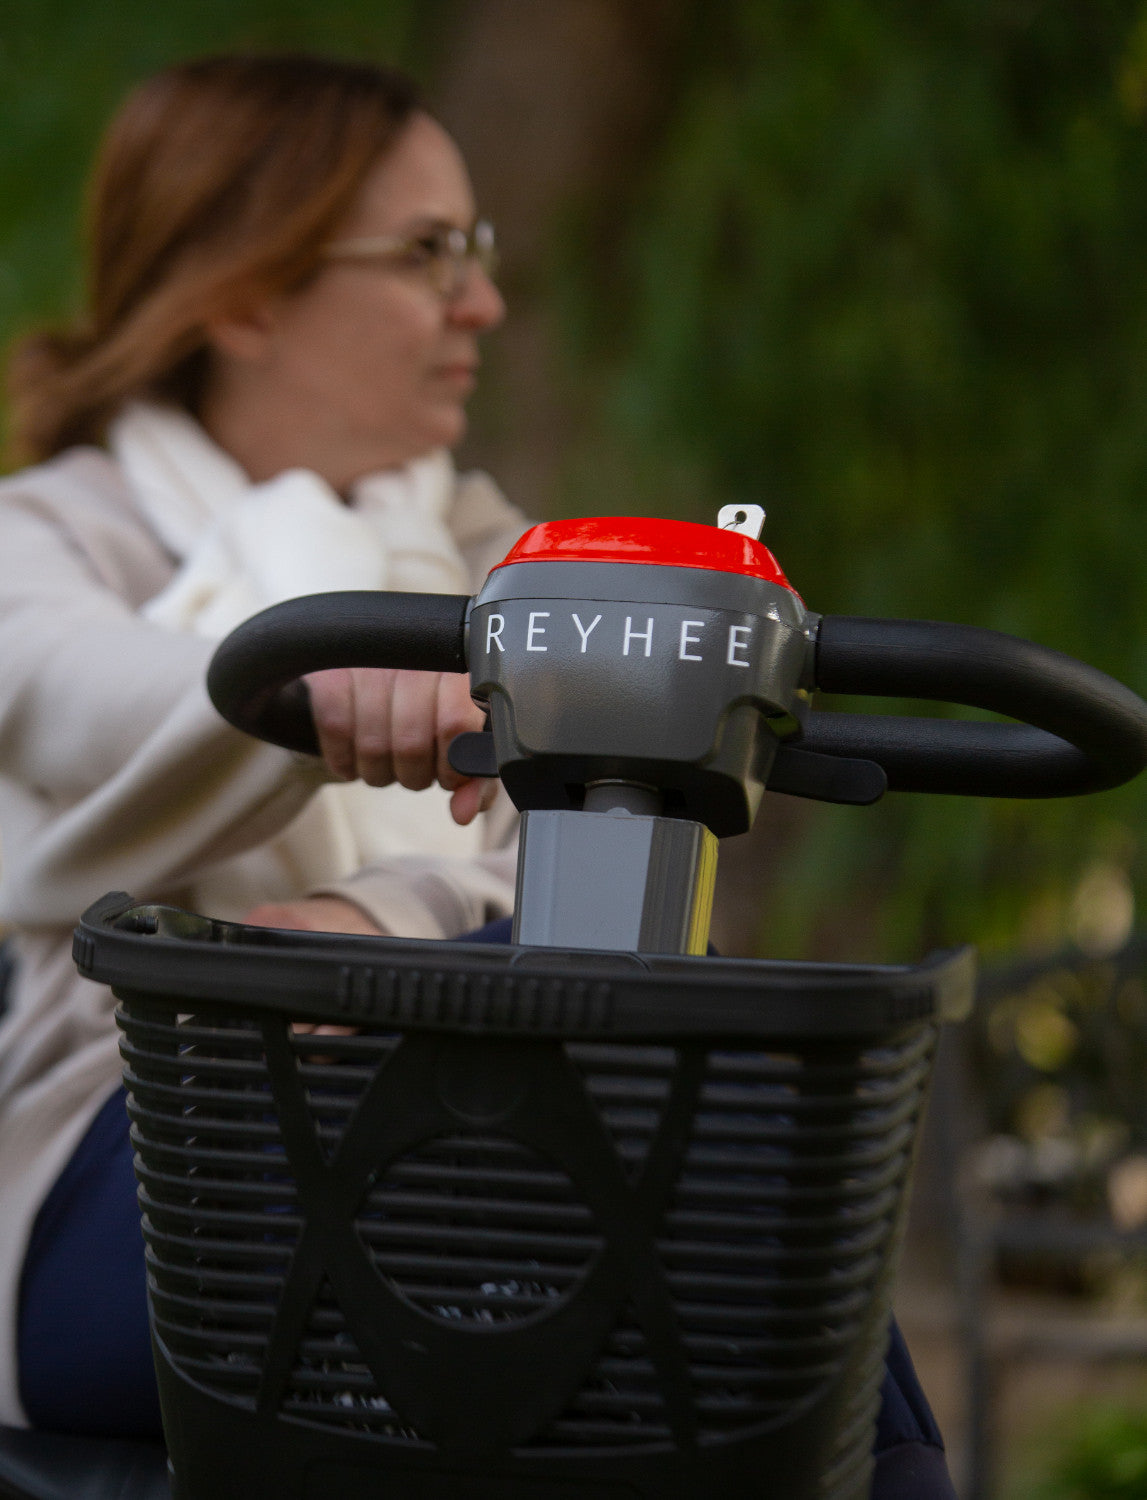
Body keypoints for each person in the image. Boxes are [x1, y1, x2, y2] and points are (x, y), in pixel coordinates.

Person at [0, 51, 956, 1497]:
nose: (483, 304)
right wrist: (305, 678)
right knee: (648, 1099)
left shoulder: (503, 559)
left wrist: (373, 928)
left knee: (720, 1188)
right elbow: (74, 702)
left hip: (464, 1144)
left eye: (483, 250)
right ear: (244, 287)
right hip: (151, 1171)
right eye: (428, 253)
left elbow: (566, 864)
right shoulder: (49, 535)